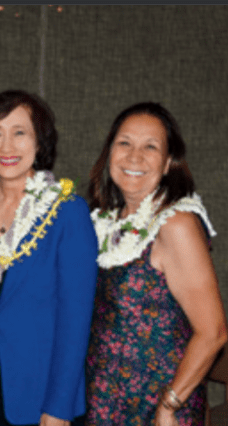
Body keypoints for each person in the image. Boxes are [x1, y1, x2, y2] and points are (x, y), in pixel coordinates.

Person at [0, 90, 98, 426]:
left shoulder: (67, 211)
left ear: (39, 142)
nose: (7, 147)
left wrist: (58, 407)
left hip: (41, 391)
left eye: (20, 133)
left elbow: (75, 321)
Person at [85, 102, 228, 426]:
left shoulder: (176, 224)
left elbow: (213, 332)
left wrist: (171, 404)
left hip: (156, 409)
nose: (134, 157)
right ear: (109, 154)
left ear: (167, 163)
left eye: (150, 146)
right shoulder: (106, 223)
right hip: (105, 400)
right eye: (125, 143)